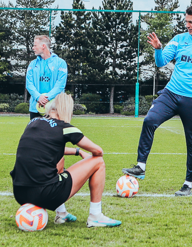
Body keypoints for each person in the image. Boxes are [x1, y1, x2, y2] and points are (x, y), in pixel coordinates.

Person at [122, 4, 192, 197]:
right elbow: (161, 63)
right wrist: (158, 49)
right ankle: (141, 166)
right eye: (186, 21)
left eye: (191, 22)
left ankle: (188, 184)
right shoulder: (178, 40)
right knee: (149, 121)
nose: (187, 25)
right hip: (171, 93)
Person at [12, 93, 121, 228]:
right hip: (44, 194)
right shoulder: (65, 127)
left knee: (58, 156)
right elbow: (98, 151)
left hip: (20, 194)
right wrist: (87, 155)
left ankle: (62, 213)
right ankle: (95, 216)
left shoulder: (33, 123)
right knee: (98, 161)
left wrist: (78, 151)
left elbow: (48, 148)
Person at [25, 35, 68, 120]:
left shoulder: (60, 63)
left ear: (43, 46)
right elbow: (29, 84)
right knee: (35, 133)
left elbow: (60, 85)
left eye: (35, 45)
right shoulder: (32, 64)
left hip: (54, 108)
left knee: (54, 133)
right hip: (36, 108)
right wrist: (38, 97)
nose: (33, 48)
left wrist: (47, 98)